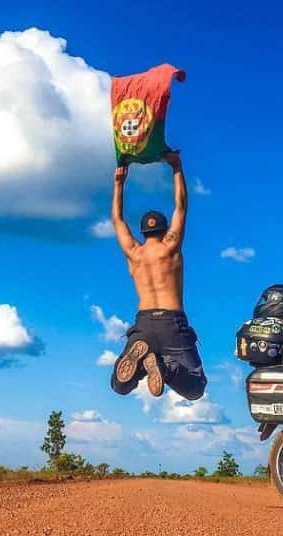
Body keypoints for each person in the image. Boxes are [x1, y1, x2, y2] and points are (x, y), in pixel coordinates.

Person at [108, 152, 207, 400]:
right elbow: (181, 207)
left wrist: (119, 183)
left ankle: (142, 364)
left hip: (144, 324)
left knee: (119, 386)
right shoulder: (170, 247)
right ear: (164, 230)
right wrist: (177, 168)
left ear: (142, 231)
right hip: (172, 323)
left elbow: (117, 219)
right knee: (195, 388)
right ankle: (165, 369)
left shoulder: (134, 253)